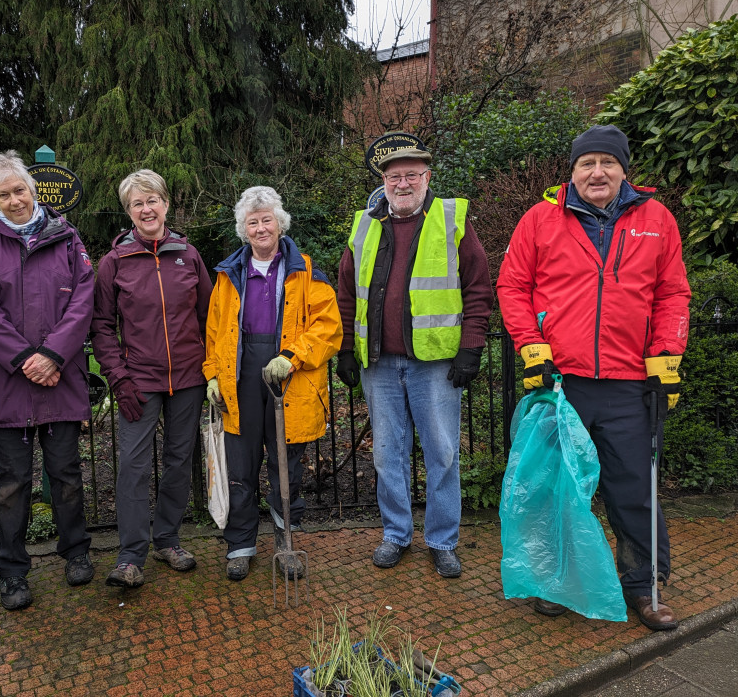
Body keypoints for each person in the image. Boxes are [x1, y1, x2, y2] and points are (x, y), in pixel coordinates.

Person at [496, 124, 690, 630]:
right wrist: (532, 347)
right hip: (563, 382)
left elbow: (672, 293)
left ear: (624, 170)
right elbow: (512, 286)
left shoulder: (657, 220)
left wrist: (666, 356)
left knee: (633, 489)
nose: (597, 173)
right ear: (573, 170)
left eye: (607, 163)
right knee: (560, 488)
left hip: (630, 384)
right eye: (587, 163)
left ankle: (644, 587)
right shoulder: (540, 219)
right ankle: (557, 583)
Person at [335, 141, 492, 578]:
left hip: (436, 363)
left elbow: (478, 289)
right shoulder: (363, 226)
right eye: (393, 177)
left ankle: (442, 541)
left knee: (442, 453)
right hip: (379, 363)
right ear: (383, 182)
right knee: (388, 454)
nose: (401, 184)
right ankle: (396, 534)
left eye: (411, 175)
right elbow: (347, 294)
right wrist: (347, 349)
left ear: (427, 178)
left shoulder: (451, 219)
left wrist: (471, 347)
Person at [0, 151, 95, 610]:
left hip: (60, 377)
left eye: (20, 190)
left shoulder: (68, 239)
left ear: (33, 190)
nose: (15, 200)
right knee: (11, 484)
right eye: (4, 194)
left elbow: (83, 301)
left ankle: (76, 552)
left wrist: (54, 354)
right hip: (11, 384)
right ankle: (12, 571)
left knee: (66, 475)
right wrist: (26, 359)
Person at [204, 186, 341, 581]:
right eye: (253, 222)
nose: (261, 228)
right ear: (243, 230)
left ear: (280, 223)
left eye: (267, 220)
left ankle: (287, 545)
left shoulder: (306, 270)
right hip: (241, 376)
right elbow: (214, 331)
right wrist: (212, 373)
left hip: (289, 379)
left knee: (286, 468)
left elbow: (328, 327)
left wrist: (292, 357)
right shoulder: (229, 275)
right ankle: (241, 546)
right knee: (240, 466)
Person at [91, 169, 212, 588]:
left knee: (179, 462)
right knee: (134, 467)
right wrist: (119, 378)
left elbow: (208, 318)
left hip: (189, 378)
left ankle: (167, 539)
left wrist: (209, 370)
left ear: (165, 204)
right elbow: (102, 326)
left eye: (152, 200)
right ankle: (130, 556)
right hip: (138, 380)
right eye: (137, 203)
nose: (146, 209)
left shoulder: (188, 255)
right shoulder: (114, 263)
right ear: (128, 212)